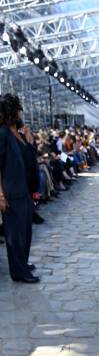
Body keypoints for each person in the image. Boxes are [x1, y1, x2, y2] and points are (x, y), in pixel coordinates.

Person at [0, 93, 39, 283]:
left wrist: (30, 141)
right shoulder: (2, 133)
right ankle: (19, 272)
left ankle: (21, 263)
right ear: (10, 112)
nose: (20, 113)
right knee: (15, 235)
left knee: (25, 232)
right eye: (17, 110)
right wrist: (0, 196)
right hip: (10, 192)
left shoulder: (20, 133)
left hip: (24, 189)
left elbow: (30, 158)